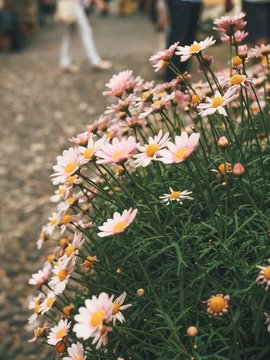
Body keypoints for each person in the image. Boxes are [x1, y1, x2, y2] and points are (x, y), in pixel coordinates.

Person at [165, 0, 233, 81]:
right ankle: (172, 80)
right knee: (179, 39)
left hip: (196, 2)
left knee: (189, 40)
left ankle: (182, 79)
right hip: (181, 2)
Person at [59, 0, 112, 73]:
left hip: (73, 4)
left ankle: (64, 62)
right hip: (75, 5)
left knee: (69, 35)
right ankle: (95, 61)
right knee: (85, 32)